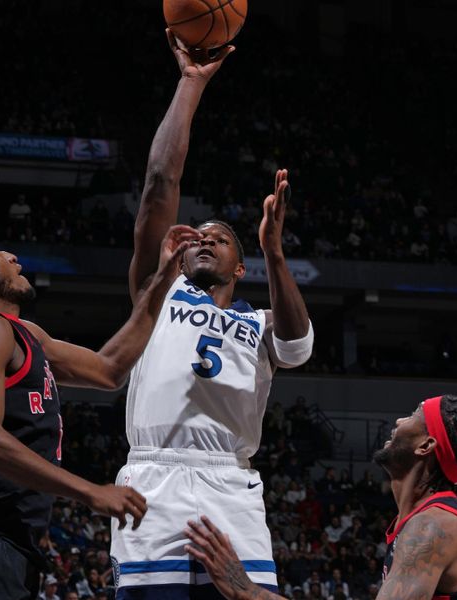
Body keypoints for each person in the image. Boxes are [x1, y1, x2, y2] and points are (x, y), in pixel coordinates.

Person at [110, 30, 314, 599]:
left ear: (240, 265)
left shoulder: (261, 322)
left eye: (218, 238)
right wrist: (190, 84)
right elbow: (158, 186)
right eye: (196, 234)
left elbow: (298, 348)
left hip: (230, 479)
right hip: (155, 474)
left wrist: (274, 250)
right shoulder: (161, 293)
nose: (202, 238)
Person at [0, 226, 200, 600]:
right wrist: (90, 491)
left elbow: (109, 368)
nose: (12, 257)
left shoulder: (25, 333)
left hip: (14, 539)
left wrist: (162, 279)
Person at [183, 395, 457, 600]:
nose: (400, 421)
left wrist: (247, 592)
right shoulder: (431, 521)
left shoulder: (433, 527)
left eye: (414, 414)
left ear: (425, 446)